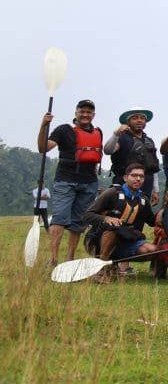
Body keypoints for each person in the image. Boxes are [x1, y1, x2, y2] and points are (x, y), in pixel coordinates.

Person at [38, 99, 103, 265]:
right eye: (82, 111)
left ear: (93, 115)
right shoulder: (63, 130)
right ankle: (53, 259)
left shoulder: (98, 132)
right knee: (59, 217)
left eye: (89, 112)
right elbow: (43, 147)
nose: (85, 114)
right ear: (76, 113)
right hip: (65, 180)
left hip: (89, 182)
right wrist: (44, 126)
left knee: (78, 221)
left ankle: (70, 259)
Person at [82, 163, 158, 282]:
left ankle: (113, 264)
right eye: (134, 175)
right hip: (98, 241)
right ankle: (101, 268)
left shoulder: (143, 200)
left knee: (152, 251)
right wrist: (107, 219)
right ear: (125, 178)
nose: (138, 179)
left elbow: (153, 222)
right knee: (113, 228)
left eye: (141, 176)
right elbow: (87, 215)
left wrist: (167, 207)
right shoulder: (112, 193)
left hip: (125, 242)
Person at [104, 107, 160, 202]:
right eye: (135, 118)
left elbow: (153, 167)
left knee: (142, 214)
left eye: (142, 118)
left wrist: (156, 190)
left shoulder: (149, 141)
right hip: (124, 185)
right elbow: (108, 150)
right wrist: (116, 134)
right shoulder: (121, 138)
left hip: (146, 186)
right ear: (128, 122)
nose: (139, 120)